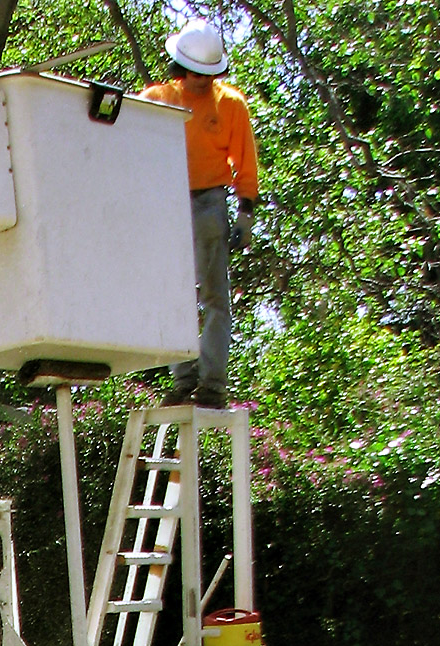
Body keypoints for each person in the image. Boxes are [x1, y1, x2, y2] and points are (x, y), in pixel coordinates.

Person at [141, 19, 258, 409]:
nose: (202, 81)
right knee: (172, 297)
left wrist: (245, 213)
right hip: (165, 202)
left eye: (209, 74)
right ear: (180, 68)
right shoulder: (157, 99)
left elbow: (246, 163)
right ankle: (182, 381)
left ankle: (212, 386)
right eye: (196, 74)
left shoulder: (230, 105)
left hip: (209, 202)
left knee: (215, 300)